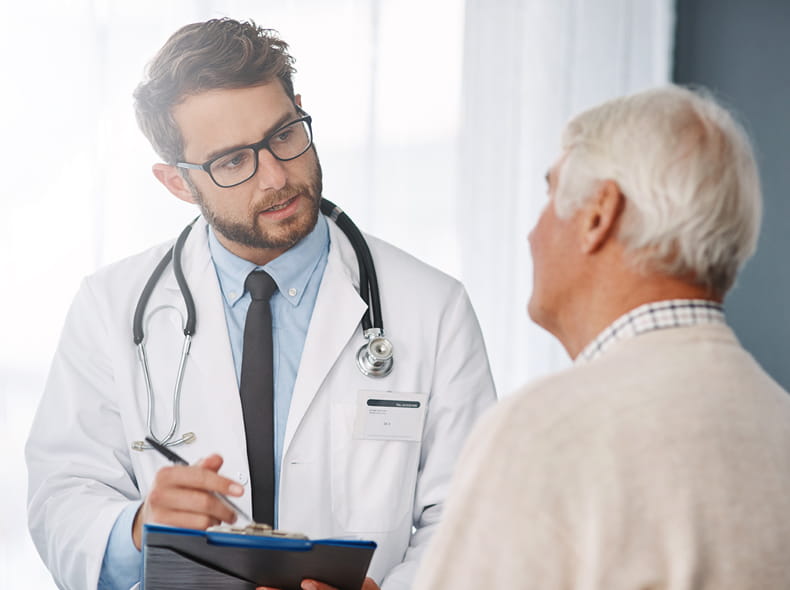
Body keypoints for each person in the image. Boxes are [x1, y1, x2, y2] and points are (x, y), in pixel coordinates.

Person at [25, 18, 496, 590]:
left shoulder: (434, 308)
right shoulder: (110, 308)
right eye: (231, 161)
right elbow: (64, 494)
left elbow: (473, 517)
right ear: (176, 183)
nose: (275, 175)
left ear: (300, 109)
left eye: (284, 134)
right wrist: (137, 527)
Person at [414, 85, 790, 589]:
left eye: (550, 193)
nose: (532, 233)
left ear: (598, 214)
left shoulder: (541, 431)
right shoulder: (779, 424)